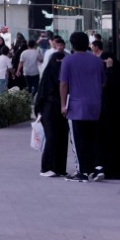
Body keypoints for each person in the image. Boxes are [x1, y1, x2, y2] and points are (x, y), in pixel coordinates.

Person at [61, 31, 107, 181]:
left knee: (79, 139)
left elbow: (63, 84)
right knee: (95, 137)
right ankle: (98, 168)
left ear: (72, 44)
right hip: (96, 104)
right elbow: (103, 81)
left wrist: (63, 105)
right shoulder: (97, 60)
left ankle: (83, 172)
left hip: (76, 106)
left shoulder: (68, 61)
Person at [35, 46, 68, 178]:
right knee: (52, 137)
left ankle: (59, 168)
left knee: (62, 137)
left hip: (59, 108)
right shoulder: (49, 76)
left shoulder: (49, 73)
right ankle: (46, 167)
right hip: (50, 109)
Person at [99, 51, 120, 181]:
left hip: (112, 115)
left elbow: (107, 86)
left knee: (112, 142)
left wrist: (109, 70)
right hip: (118, 115)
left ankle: (113, 169)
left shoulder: (115, 74)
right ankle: (118, 169)